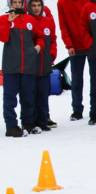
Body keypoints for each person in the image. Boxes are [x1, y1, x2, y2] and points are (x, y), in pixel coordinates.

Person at [0, 0, 42, 137]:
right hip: (11, 67)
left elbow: (40, 36)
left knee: (28, 97)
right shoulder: (3, 19)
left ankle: (28, 124)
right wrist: (9, 22)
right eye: (14, 2)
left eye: (19, 2)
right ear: (10, 4)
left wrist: (38, 47)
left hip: (28, 66)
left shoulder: (30, 19)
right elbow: (3, 38)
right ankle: (11, 127)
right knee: (10, 99)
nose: (17, 5)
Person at [58, 0, 90, 120]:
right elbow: (63, 26)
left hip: (91, 45)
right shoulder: (62, 3)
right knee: (76, 79)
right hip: (75, 47)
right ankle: (77, 109)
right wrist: (69, 44)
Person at [28, 0, 56, 132]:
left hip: (45, 63)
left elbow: (53, 40)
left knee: (44, 93)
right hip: (31, 65)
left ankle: (43, 120)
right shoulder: (27, 21)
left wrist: (52, 54)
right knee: (31, 94)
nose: (36, 8)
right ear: (29, 7)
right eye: (33, 6)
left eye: (38, 5)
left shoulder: (48, 21)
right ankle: (32, 122)